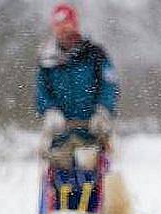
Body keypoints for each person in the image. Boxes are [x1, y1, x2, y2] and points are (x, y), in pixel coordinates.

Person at [36, 3, 119, 152]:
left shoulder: (95, 54)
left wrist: (103, 110)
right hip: (60, 136)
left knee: (97, 173)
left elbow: (109, 85)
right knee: (59, 172)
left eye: (66, 25)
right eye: (59, 26)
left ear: (75, 25)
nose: (63, 31)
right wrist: (50, 110)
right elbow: (42, 91)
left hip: (94, 132)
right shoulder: (47, 60)